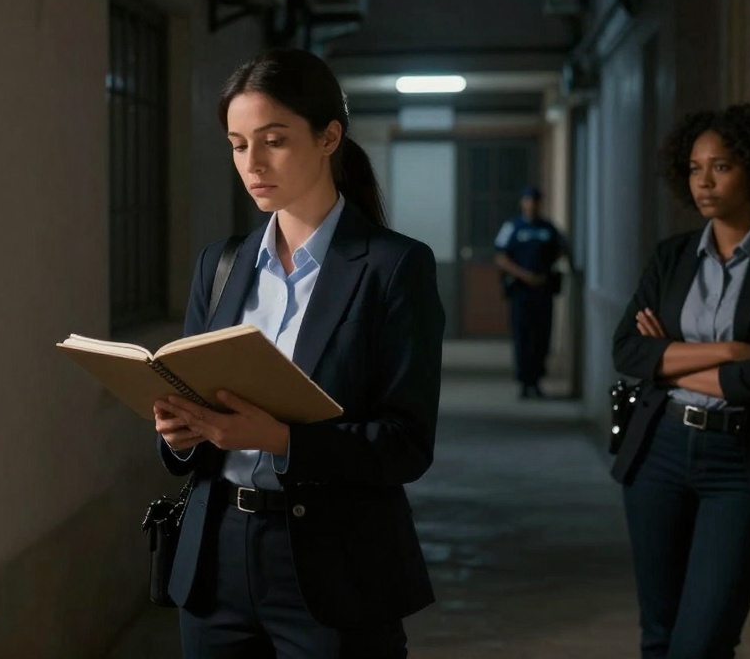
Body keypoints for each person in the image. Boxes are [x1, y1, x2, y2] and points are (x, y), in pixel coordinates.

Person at [152, 47, 445, 659]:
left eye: (274, 140)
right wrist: (179, 433)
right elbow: (188, 409)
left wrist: (282, 438)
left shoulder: (393, 268)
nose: (253, 163)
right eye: (237, 144)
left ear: (329, 137)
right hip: (217, 557)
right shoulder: (221, 266)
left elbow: (406, 444)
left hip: (334, 564)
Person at [611, 103, 750, 659]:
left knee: (703, 642)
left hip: (743, 461)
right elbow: (629, 351)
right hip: (658, 452)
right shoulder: (671, 258)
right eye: (693, 168)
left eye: (721, 166)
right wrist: (733, 352)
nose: (704, 181)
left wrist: (674, 356)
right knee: (659, 635)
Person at [493, 185, 567, 398]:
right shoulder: (512, 227)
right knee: (523, 336)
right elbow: (500, 257)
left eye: (535, 201)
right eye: (528, 200)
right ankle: (525, 381)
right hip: (521, 291)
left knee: (542, 337)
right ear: (522, 203)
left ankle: (536, 379)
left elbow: (561, 251)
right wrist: (524, 275)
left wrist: (545, 272)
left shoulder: (548, 228)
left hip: (543, 291)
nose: (531, 205)